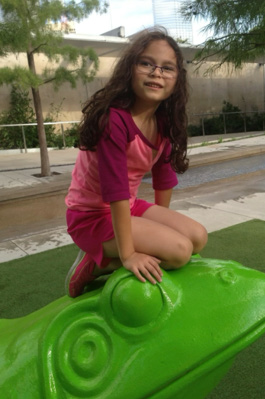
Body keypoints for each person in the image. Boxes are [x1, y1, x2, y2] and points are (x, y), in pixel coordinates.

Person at [64, 29, 208, 297]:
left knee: (198, 237)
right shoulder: (114, 120)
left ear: (177, 79)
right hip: (90, 216)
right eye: (146, 63)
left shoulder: (163, 121)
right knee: (179, 253)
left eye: (167, 68)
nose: (156, 73)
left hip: (127, 206)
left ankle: (120, 250)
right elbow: (115, 190)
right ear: (130, 69)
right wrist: (129, 253)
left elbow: (163, 179)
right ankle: (94, 264)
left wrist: (158, 234)